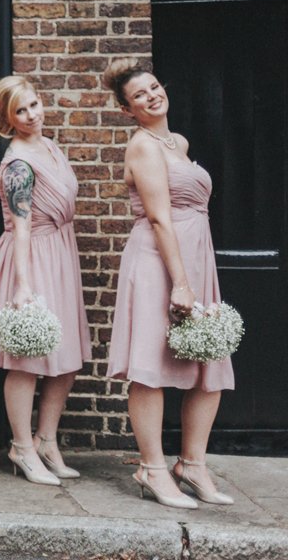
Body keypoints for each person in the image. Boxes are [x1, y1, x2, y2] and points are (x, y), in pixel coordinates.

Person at [103, 58, 235, 509]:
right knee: (151, 366)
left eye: (155, 86)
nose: (152, 96)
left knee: (208, 362)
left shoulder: (177, 142)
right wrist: (181, 282)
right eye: (139, 95)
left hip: (197, 255)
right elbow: (159, 217)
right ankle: (152, 468)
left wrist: (194, 274)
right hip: (160, 261)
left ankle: (192, 465)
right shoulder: (143, 146)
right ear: (127, 109)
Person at [0, 76, 91, 487]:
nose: (31, 115)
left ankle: (46, 440)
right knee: (26, 359)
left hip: (60, 250)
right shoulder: (17, 163)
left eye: (34, 105)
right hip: (31, 256)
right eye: (21, 111)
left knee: (67, 357)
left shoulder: (50, 146)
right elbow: (21, 227)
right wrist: (23, 285)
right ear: (7, 119)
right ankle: (22, 447)